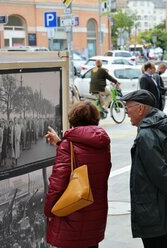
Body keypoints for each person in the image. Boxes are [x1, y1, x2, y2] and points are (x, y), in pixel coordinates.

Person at [122, 89, 167, 248]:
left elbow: (160, 173)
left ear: (140, 109)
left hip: (155, 213)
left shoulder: (146, 135)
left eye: (128, 107)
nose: (126, 112)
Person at [44, 101, 111, 248]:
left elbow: (57, 184)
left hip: (72, 215)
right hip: (95, 216)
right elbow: (86, 162)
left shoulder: (68, 145)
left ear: (73, 119)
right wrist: (60, 143)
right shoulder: (102, 144)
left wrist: (49, 211)